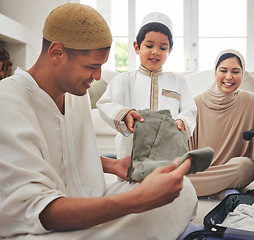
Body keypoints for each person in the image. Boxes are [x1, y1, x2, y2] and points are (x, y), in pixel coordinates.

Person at [0, 3, 197, 239]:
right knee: (146, 205)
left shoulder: (75, 94)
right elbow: (36, 210)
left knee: (182, 189)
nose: (98, 77)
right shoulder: (8, 100)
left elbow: (63, 152)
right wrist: (136, 201)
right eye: (92, 66)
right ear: (56, 53)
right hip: (44, 226)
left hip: (90, 201)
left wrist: (112, 165)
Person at [97, 12, 197, 159]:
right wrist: (124, 113)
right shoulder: (124, 80)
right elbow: (105, 103)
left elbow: (190, 110)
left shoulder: (178, 81)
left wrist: (182, 121)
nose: (155, 52)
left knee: (168, 179)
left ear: (170, 51)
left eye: (163, 48)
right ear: (137, 47)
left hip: (168, 148)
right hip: (131, 150)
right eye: (149, 45)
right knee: (132, 181)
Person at [187, 49, 254, 199]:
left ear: (242, 74)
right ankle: (219, 191)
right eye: (223, 70)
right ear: (215, 72)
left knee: (247, 167)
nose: (229, 77)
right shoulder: (196, 104)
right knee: (176, 170)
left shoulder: (252, 102)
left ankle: (182, 188)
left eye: (235, 71)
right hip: (200, 170)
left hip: (234, 171)